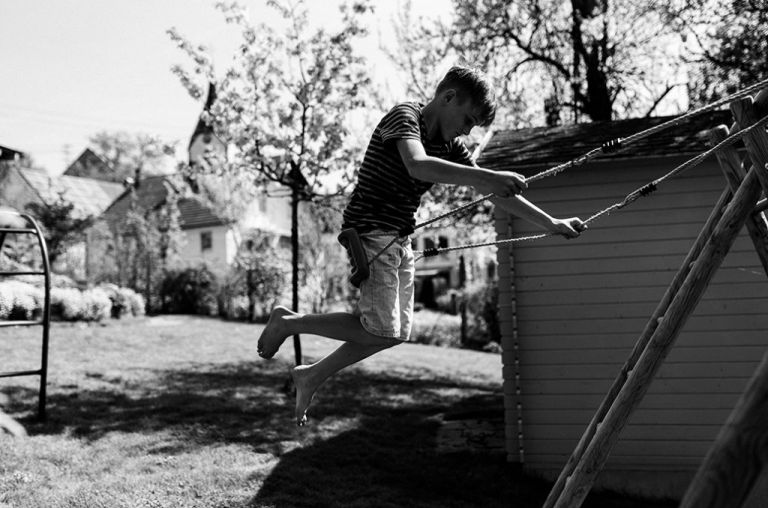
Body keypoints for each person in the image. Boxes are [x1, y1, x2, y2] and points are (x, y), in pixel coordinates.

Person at [257, 66, 585, 425]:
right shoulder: (405, 117)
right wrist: (488, 176)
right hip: (370, 230)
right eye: (468, 120)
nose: (468, 131)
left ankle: (311, 375)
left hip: (399, 237)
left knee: (394, 333)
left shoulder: (449, 146)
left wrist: (552, 223)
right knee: (378, 328)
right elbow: (417, 165)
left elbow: (491, 191)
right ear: (448, 98)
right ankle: (288, 322)